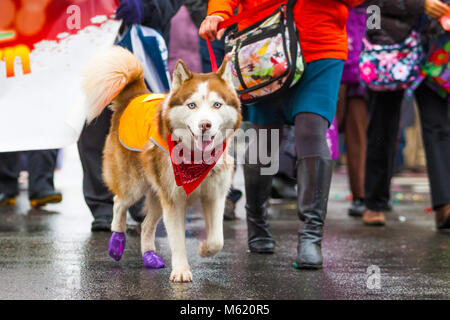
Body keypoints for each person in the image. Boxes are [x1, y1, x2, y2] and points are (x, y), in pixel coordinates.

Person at [200, 0, 366, 269]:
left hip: (320, 47)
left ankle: (311, 236)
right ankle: (256, 221)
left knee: (312, 130)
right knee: (264, 137)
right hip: (264, 44)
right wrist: (218, 13)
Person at [78, 0, 184, 232]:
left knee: (142, 128)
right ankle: (102, 206)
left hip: (142, 43)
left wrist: (147, 8)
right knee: (92, 124)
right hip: (88, 39)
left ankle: (142, 203)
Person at [362, 0, 450, 229]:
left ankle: (444, 205)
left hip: (434, 46)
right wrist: (420, 5)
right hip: (390, 47)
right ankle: (375, 202)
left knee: (437, 124)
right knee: (383, 123)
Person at [336, 5, 368, 217]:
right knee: (317, 130)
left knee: (358, 133)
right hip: (328, 58)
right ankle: (309, 197)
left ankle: (361, 194)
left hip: (363, 63)